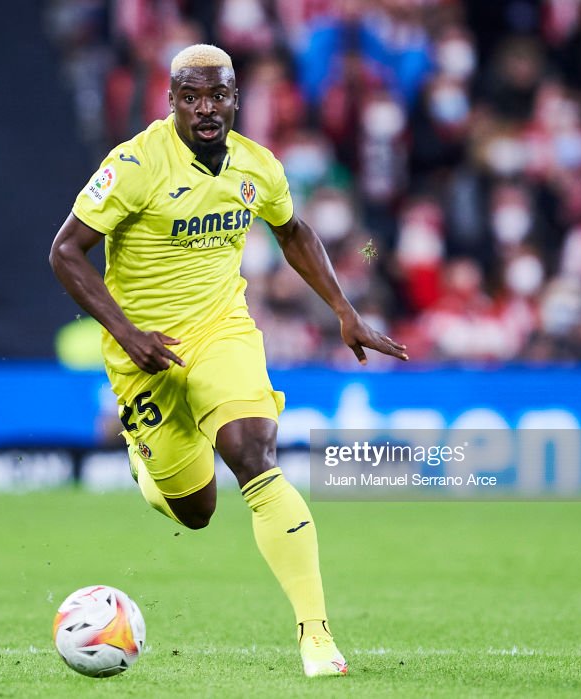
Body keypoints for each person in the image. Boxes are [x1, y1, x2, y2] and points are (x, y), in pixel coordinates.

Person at [49, 44, 408, 678]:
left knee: (252, 453)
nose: (206, 108)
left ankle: (317, 638)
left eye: (218, 96)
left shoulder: (257, 166)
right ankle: (145, 461)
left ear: (235, 98)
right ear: (172, 102)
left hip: (222, 332)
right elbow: (66, 252)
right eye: (192, 97)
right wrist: (127, 333)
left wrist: (343, 309)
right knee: (197, 510)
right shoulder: (134, 164)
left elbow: (292, 230)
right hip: (147, 353)